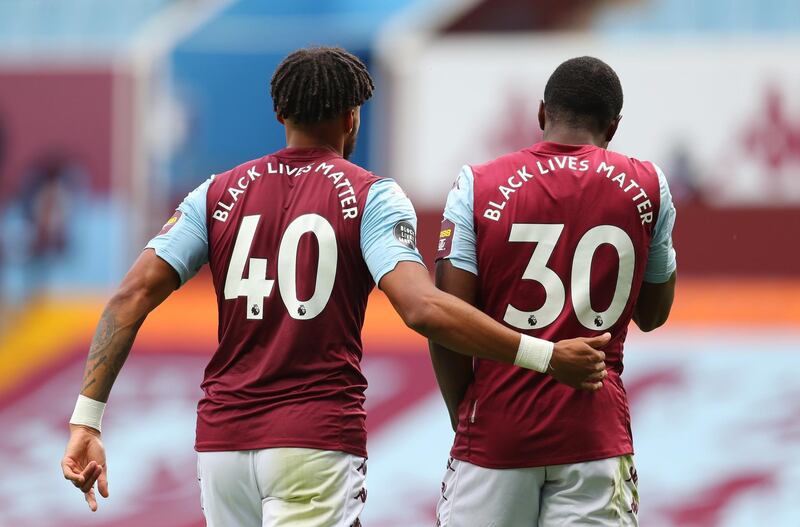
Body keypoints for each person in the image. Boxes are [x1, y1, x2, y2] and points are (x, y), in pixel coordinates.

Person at [60, 47, 609, 527]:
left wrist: (87, 419)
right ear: (353, 119)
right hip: (314, 443)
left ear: (280, 113)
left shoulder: (215, 193)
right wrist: (543, 354)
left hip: (223, 446)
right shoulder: (372, 196)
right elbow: (420, 309)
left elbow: (129, 298)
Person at [431, 56, 677, 526]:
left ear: (542, 113)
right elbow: (653, 313)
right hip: (594, 436)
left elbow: (447, 321)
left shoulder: (475, 185)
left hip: (496, 433)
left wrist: (466, 410)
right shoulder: (650, 186)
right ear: (614, 125)